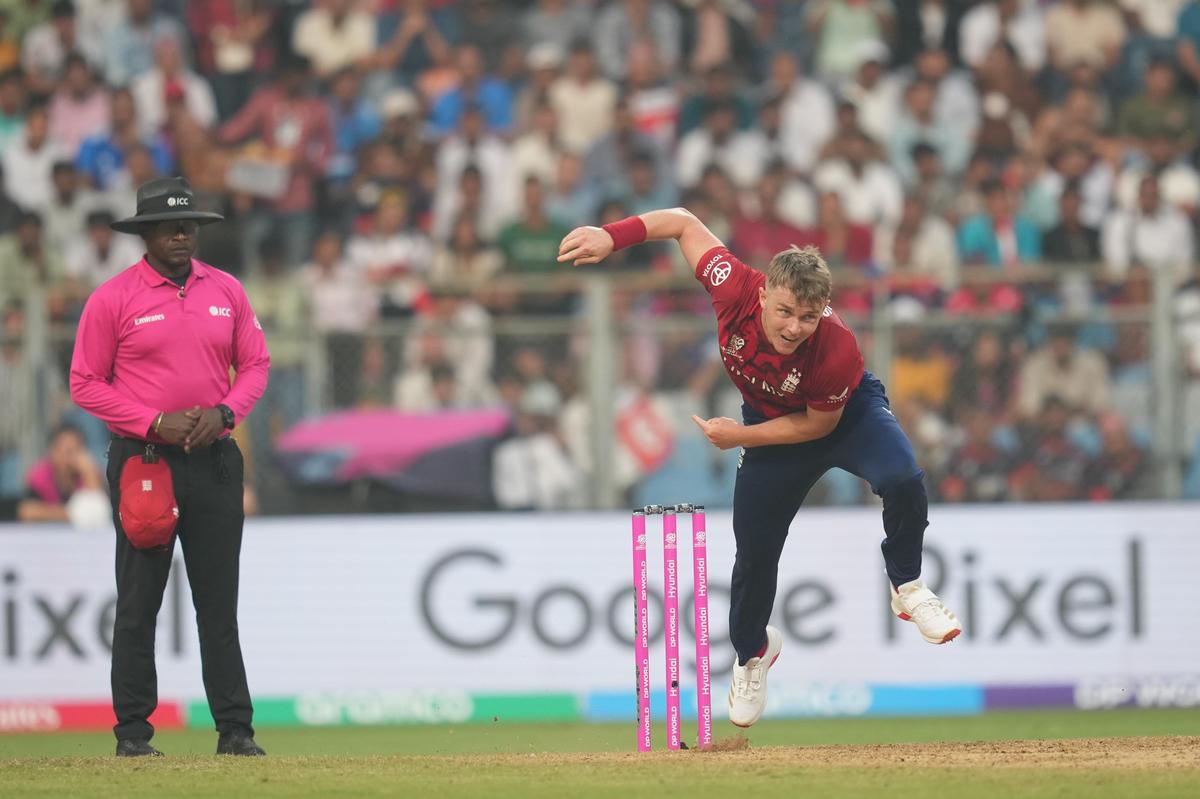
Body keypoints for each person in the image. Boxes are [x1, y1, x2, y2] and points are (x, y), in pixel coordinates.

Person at [556, 208, 961, 728]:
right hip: (772, 429)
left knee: (902, 477)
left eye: (809, 318)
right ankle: (752, 656)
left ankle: (907, 587)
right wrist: (611, 238)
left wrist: (738, 437)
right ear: (765, 292)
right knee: (754, 554)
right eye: (786, 311)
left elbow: (816, 427)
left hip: (841, 416)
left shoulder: (835, 348)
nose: (795, 328)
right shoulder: (733, 285)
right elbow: (681, 222)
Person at [68, 176, 270, 758]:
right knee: (138, 603)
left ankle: (235, 730)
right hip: (145, 462)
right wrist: (152, 422)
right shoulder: (113, 298)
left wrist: (226, 412)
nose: (183, 235)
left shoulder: (226, 291)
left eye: (190, 226)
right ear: (146, 234)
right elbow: (84, 382)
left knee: (217, 601)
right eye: (169, 226)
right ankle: (133, 733)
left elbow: (255, 364)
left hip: (214, 459)